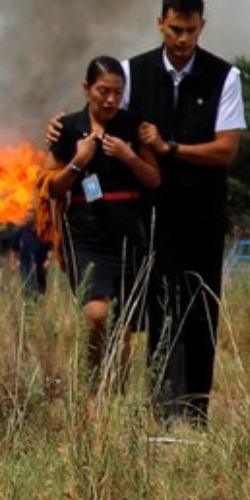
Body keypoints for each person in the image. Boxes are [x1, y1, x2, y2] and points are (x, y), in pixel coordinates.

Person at [46, 0, 246, 423]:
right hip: (149, 216)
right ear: (160, 24)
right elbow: (101, 111)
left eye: (191, 30)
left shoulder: (224, 77)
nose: (183, 39)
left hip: (203, 213)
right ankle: (160, 411)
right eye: (175, 29)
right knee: (158, 310)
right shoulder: (132, 73)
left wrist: (169, 148)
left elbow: (226, 150)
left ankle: (195, 413)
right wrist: (62, 129)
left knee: (200, 308)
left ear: (202, 27)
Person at [42, 55, 161, 378]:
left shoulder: (133, 125)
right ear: (87, 89)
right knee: (96, 313)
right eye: (103, 91)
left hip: (128, 233)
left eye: (117, 92)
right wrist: (78, 162)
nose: (110, 99)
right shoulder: (67, 128)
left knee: (123, 323)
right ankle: (94, 380)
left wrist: (129, 156)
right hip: (85, 233)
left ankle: (115, 389)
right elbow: (50, 186)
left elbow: (154, 179)